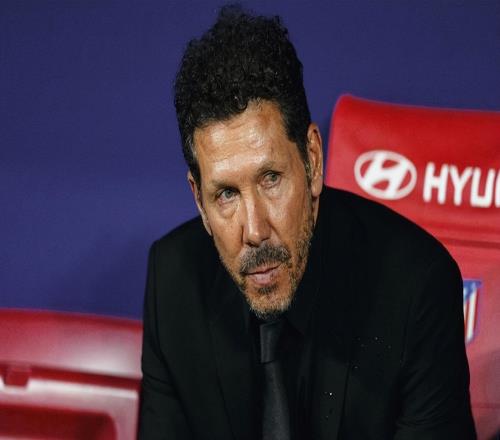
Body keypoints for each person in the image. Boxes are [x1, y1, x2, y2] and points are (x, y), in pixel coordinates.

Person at [139, 6, 476, 440]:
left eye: (271, 179)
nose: (254, 230)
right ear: (198, 200)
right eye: (226, 195)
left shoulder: (414, 289)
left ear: (312, 161)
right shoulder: (173, 283)